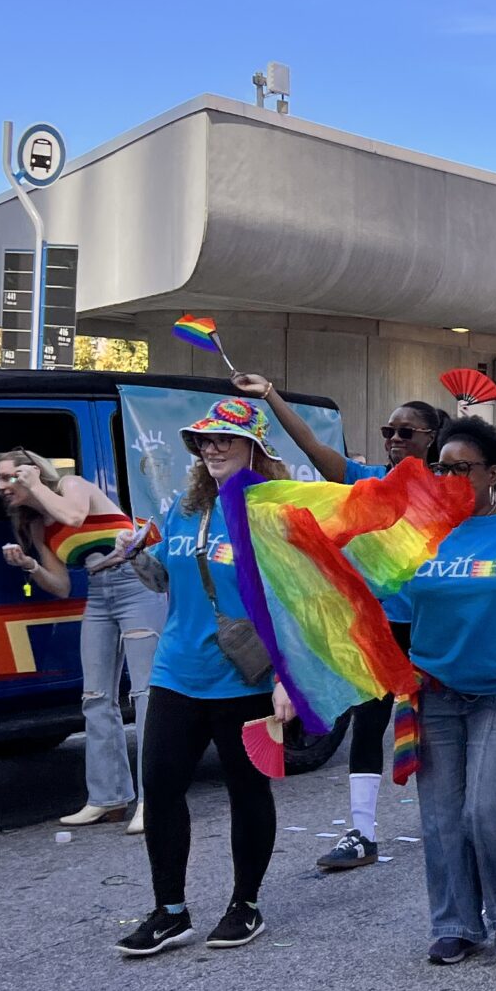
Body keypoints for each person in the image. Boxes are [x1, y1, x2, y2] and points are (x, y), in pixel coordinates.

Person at [102, 397, 295, 958]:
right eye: (204, 442)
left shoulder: (271, 512)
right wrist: (134, 555)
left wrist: (287, 676)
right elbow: (166, 582)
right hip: (176, 671)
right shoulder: (183, 507)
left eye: (224, 440)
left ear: (252, 448)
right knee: (160, 788)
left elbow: (292, 601)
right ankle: (170, 911)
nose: (211, 449)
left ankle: (246, 904)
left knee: (246, 790)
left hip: (243, 677)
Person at [237, 373, 448, 874]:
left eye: (406, 432)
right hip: (378, 627)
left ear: (431, 438)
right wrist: (270, 395)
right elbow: (312, 447)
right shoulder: (365, 481)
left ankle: (455, 812)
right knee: (367, 724)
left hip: (437, 627)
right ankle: (362, 832)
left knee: (441, 725)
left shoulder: (450, 489)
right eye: (388, 431)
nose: (394, 440)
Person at [402, 415, 496, 965]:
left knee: (485, 811)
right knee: (442, 818)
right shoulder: (417, 529)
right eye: (440, 467)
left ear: (494, 473)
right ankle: (457, 924)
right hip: (434, 690)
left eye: (460, 468)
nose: (447, 477)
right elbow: (385, 598)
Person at [0, 447, 164, 834]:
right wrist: (30, 565)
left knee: (145, 694)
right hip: (98, 590)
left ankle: (154, 798)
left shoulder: (71, 485)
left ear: (32, 471)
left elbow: (73, 515)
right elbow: (61, 585)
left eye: (10, 477)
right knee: (95, 697)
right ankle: (108, 798)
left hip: (135, 582)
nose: (3, 487)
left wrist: (36, 484)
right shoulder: (36, 525)